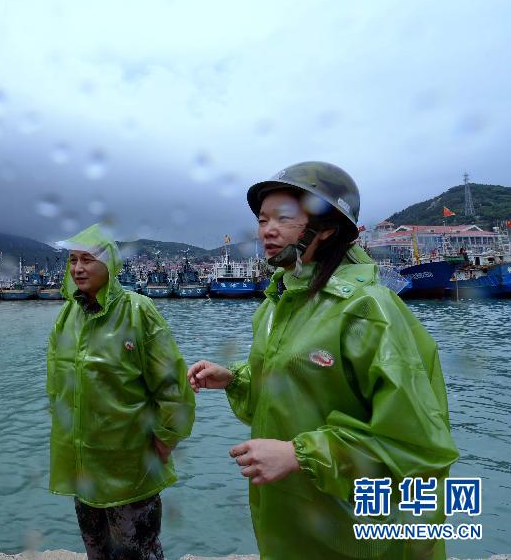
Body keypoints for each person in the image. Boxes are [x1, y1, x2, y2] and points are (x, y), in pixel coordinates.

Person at [187, 162, 458, 559]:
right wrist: (237, 380)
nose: (268, 230)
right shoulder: (276, 305)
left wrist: (300, 455)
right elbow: (293, 395)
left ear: (328, 228)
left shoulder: (368, 310)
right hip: (291, 524)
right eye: (263, 219)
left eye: (285, 218)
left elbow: (419, 446)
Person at [46, 224, 195, 560]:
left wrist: (167, 436)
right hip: (84, 464)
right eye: (72, 260)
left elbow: (171, 383)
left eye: (87, 259)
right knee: (96, 550)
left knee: (138, 551)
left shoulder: (138, 311)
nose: (78, 268)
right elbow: (57, 384)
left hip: (130, 464)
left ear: (110, 263)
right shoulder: (67, 316)